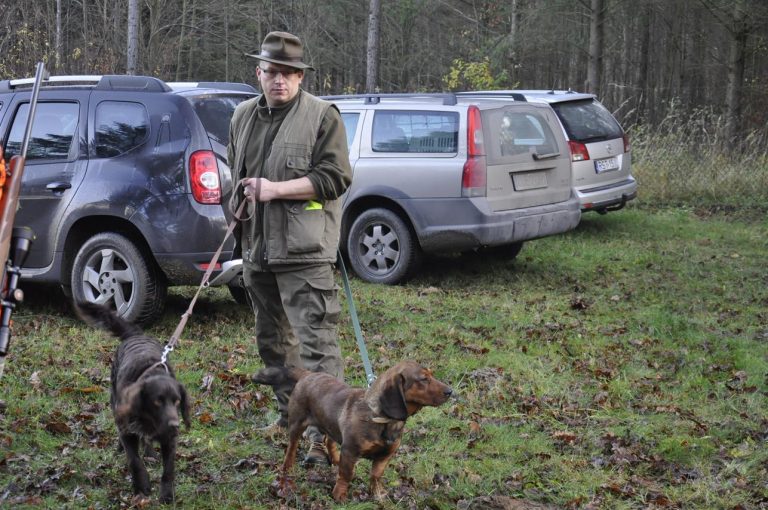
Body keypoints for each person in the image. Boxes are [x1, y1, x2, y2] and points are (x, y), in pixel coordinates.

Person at [227, 31, 352, 465]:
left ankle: (325, 436)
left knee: (317, 347)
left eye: (289, 73)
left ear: (301, 76)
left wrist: (274, 189)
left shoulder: (322, 116)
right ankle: (289, 416)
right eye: (272, 71)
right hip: (258, 250)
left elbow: (335, 178)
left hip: (305, 252)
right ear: (258, 72)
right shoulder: (241, 116)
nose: (279, 80)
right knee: (273, 343)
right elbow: (235, 174)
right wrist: (237, 205)